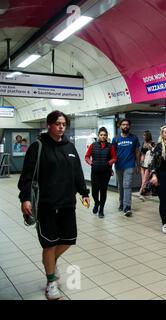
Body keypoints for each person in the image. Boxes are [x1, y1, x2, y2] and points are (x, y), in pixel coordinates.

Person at [18, 110, 90, 300]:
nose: (61, 127)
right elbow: (27, 177)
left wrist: (84, 192)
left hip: (67, 204)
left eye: (64, 124)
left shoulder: (70, 148)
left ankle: (52, 260)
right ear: (49, 124)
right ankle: (51, 282)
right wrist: (25, 198)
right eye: (57, 123)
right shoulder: (38, 147)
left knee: (68, 240)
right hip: (46, 205)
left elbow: (77, 173)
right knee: (49, 244)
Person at [85, 127, 117, 218]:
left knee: (103, 191)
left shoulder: (110, 146)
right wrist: (91, 163)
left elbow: (114, 158)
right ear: (98, 136)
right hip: (95, 172)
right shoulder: (93, 145)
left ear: (107, 136)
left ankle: (101, 210)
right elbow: (87, 156)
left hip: (105, 173)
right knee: (94, 192)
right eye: (101, 135)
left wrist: (108, 163)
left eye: (105, 135)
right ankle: (96, 203)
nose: (103, 136)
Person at [112, 118, 140, 217]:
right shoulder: (115, 139)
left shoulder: (134, 138)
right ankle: (121, 203)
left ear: (129, 126)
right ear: (120, 126)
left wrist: (138, 165)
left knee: (127, 185)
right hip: (119, 166)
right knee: (121, 186)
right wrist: (111, 167)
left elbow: (137, 152)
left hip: (130, 165)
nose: (125, 126)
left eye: (127, 124)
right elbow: (112, 154)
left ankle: (127, 207)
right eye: (123, 124)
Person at [139, 130, 155, 197]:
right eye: (143, 135)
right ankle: (144, 191)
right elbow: (142, 153)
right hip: (143, 162)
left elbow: (153, 154)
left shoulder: (152, 143)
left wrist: (151, 148)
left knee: (145, 178)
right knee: (143, 179)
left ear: (148, 136)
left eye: (145, 135)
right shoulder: (143, 143)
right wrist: (140, 161)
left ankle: (141, 192)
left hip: (148, 163)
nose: (144, 136)